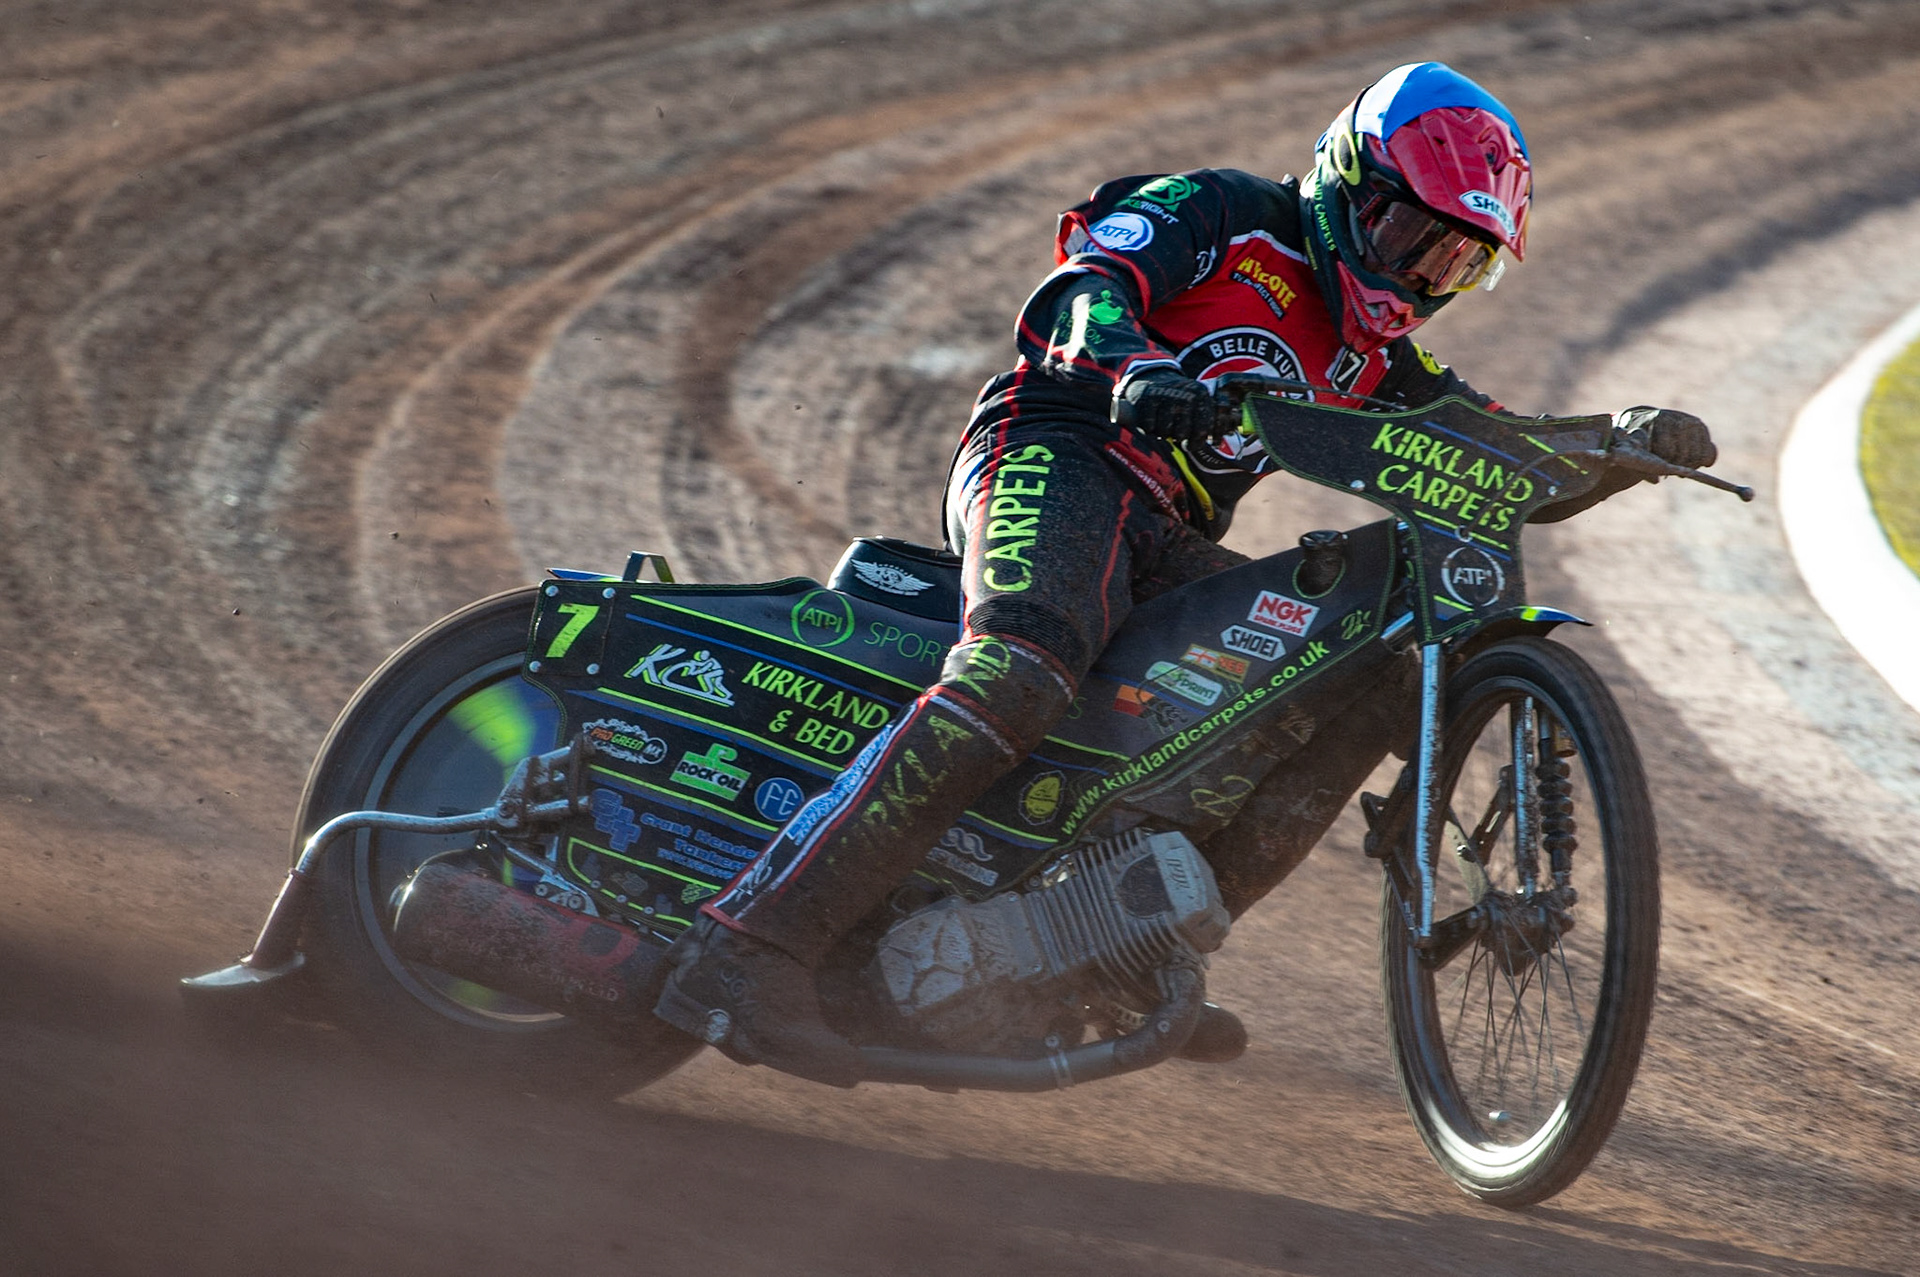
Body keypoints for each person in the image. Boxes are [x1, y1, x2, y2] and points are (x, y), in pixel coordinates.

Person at [654, 61, 1715, 1084]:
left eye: (1454, 261)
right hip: (1054, 451)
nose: (1415, 275)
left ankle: (1112, 956)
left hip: (1162, 534)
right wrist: (1138, 366)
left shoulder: (1377, 361)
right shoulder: (1220, 212)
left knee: (1342, 676)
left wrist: (1615, 442)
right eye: (1408, 233)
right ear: (1350, 179)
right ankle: (751, 939)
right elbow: (1079, 287)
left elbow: (1492, 451)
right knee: (1022, 665)